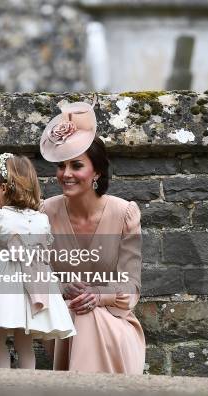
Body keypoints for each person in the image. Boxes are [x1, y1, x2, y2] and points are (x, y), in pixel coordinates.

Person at [39, 101, 146, 374]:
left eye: (76, 165)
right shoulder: (45, 213)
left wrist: (98, 296)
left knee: (89, 314)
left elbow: (131, 286)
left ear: (96, 171)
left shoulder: (124, 213)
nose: (66, 174)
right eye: (61, 166)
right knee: (80, 312)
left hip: (115, 323)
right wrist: (65, 289)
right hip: (63, 325)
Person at [0, 154, 76, 369]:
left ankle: (3, 378)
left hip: (2, 284)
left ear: (4, 188)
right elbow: (45, 253)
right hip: (32, 282)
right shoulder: (41, 219)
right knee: (24, 339)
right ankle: (26, 384)